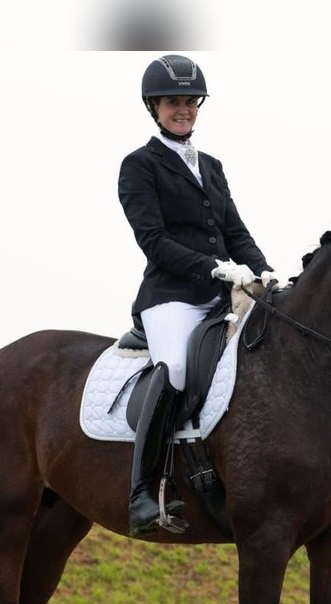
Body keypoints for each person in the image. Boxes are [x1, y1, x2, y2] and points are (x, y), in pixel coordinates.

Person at [118, 54, 282, 537]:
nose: (183, 110)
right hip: (172, 297)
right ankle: (142, 493)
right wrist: (212, 269)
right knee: (177, 368)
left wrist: (265, 272)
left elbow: (235, 232)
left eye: (191, 102)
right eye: (174, 102)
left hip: (221, 292)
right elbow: (154, 241)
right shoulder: (139, 166)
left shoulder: (211, 166)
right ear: (155, 107)